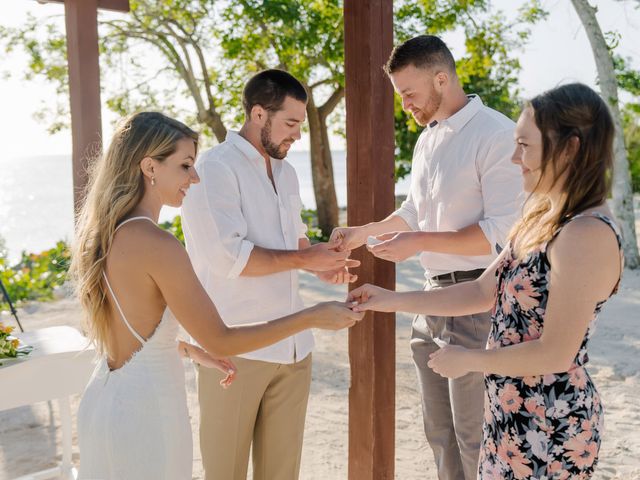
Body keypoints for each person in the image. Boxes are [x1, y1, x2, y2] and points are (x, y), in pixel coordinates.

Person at [348, 83, 623, 479]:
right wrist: (387, 299)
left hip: (549, 423)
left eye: (525, 146)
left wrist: (470, 360)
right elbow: (481, 291)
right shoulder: (541, 218)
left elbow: (556, 353)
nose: (515, 159)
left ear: (571, 148)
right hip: (509, 415)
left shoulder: (587, 234)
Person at [72, 111, 364, 480]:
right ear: (150, 167)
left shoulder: (110, 233)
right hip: (145, 411)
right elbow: (223, 341)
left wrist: (188, 349)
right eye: (185, 165)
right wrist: (311, 317)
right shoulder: (158, 244)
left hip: (104, 399)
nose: (194, 178)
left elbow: (129, 332)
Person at [331, 35, 522, 479]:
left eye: (409, 94)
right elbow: (415, 212)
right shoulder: (427, 141)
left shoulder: (496, 135)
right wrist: (366, 232)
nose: (406, 106)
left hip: (478, 304)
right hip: (429, 301)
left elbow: (500, 236)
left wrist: (418, 242)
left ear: (442, 78)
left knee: (477, 437)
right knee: (440, 436)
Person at [180, 69, 359, 480]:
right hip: (234, 351)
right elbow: (231, 258)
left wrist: (324, 263)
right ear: (258, 114)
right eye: (291, 123)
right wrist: (303, 259)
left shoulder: (287, 172)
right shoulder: (214, 169)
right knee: (224, 473)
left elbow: (295, 245)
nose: (298, 134)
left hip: (295, 352)